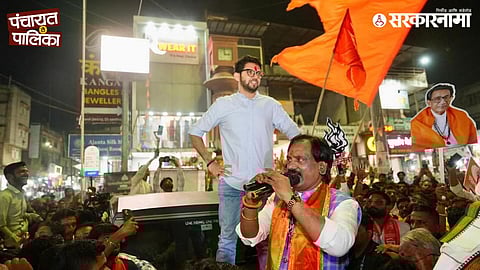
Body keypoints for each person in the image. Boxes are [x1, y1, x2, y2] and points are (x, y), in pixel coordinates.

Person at [189, 55, 300, 265]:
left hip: (265, 186)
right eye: (250, 72)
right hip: (231, 184)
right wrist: (210, 162)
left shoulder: (270, 105)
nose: (255, 76)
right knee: (227, 240)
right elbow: (195, 133)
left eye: (258, 73)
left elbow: (295, 134)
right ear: (237, 76)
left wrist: (296, 162)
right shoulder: (224, 105)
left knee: (266, 239)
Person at [237, 135, 361, 269]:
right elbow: (250, 236)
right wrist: (251, 204)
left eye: (300, 160)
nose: (291, 166)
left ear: (322, 167)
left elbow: (339, 245)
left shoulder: (344, 203)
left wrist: (290, 199)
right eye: (289, 159)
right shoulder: (278, 199)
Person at [411, 83, 477, 150]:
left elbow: (472, 141)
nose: (443, 102)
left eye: (446, 97)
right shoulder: (418, 122)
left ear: (451, 98)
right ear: (429, 103)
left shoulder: (461, 116)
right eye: (437, 99)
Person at [0, 162, 42, 248]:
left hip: (23, 239)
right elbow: (1, 224)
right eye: (21, 172)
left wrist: (32, 216)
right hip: (10, 245)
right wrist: (13, 237)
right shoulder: (4, 196)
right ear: (10, 177)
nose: (26, 174)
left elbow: (18, 214)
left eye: (26, 171)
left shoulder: (21, 194)